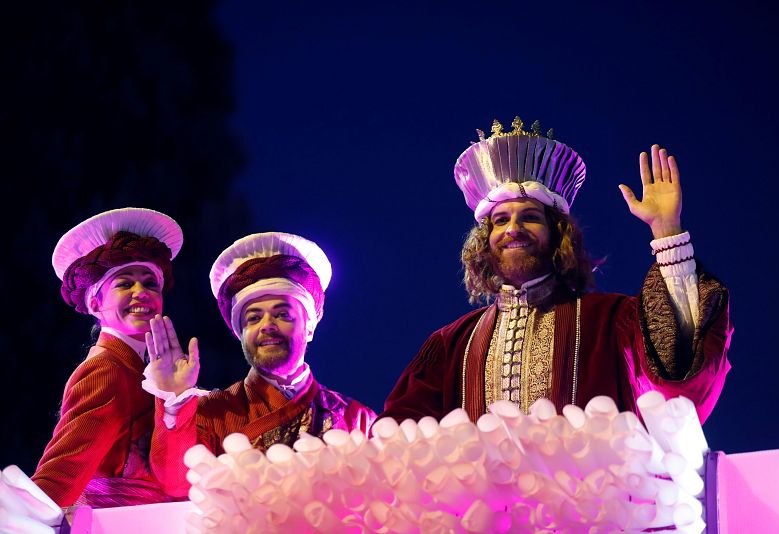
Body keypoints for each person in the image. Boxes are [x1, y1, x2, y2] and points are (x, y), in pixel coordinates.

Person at [382, 117, 732, 425]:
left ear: (558, 234)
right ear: (484, 240)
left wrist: (666, 230)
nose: (513, 229)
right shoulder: (450, 345)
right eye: (500, 220)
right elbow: (399, 442)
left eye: (530, 217)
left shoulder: (612, 322)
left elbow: (680, 375)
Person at [144, 232, 376, 497]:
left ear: (309, 326)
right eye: (253, 318)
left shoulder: (356, 419)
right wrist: (174, 402)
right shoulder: (211, 413)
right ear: (239, 333)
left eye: (282, 314)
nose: (267, 325)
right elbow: (175, 484)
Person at [32, 207, 183, 507]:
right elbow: (60, 476)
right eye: (124, 283)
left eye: (150, 283)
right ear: (94, 302)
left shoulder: (147, 370)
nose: (141, 292)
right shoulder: (106, 370)